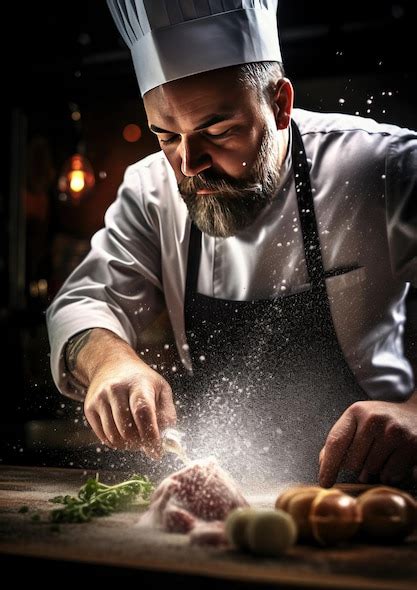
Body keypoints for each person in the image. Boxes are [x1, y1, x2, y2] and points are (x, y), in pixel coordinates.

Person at [46, 0, 417, 487]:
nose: (188, 163)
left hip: (379, 494)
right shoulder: (150, 190)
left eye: (217, 131)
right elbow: (84, 302)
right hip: (229, 498)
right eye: (165, 137)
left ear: (280, 104)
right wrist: (110, 362)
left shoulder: (384, 167)